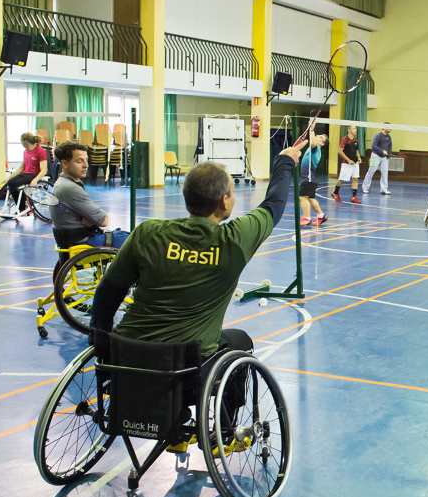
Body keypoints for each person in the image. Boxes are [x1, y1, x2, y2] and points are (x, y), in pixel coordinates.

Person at [89, 141, 304, 365]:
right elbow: (273, 206)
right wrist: (285, 162)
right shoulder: (235, 240)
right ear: (224, 200)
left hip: (129, 353)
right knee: (240, 341)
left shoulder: (147, 233)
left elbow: (109, 289)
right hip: (188, 362)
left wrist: (100, 335)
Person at [50, 142, 127, 252]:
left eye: (86, 160)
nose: (86, 165)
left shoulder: (62, 183)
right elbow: (104, 221)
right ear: (65, 163)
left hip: (72, 238)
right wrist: (91, 219)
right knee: (135, 240)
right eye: (79, 161)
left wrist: (90, 219)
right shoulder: (69, 188)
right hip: (83, 241)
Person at [0, 133, 48, 210]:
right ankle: (22, 204)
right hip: (25, 174)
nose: (23, 146)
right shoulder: (25, 151)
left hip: (34, 175)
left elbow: (44, 170)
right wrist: (10, 177)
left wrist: (35, 180)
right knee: (10, 182)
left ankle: (22, 207)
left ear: (27, 143)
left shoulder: (40, 151)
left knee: (13, 183)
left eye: (24, 145)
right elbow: (21, 168)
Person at [299, 127, 327, 227]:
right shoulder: (313, 148)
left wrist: (311, 129)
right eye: (318, 136)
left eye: (321, 138)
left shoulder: (316, 148)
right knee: (310, 198)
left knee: (302, 197)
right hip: (310, 178)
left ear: (322, 144)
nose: (318, 137)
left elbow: (313, 142)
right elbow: (312, 140)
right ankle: (321, 215)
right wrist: (311, 127)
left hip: (308, 177)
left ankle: (306, 218)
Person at [333, 124, 362, 204]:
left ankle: (354, 197)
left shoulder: (356, 140)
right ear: (349, 130)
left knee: (355, 178)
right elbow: (340, 151)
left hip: (355, 163)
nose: (355, 130)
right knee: (342, 179)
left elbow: (357, 151)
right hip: (346, 164)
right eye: (354, 128)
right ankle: (335, 192)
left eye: (356, 128)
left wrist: (359, 157)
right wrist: (348, 160)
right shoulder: (345, 139)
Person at [363, 123, 392, 195]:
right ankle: (365, 188)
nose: (391, 128)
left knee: (385, 173)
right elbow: (373, 146)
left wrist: (389, 154)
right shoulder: (378, 136)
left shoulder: (389, 137)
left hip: (384, 158)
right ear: (384, 128)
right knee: (371, 171)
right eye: (389, 127)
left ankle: (384, 189)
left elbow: (390, 147)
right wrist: (382, 151)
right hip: (375, 156)